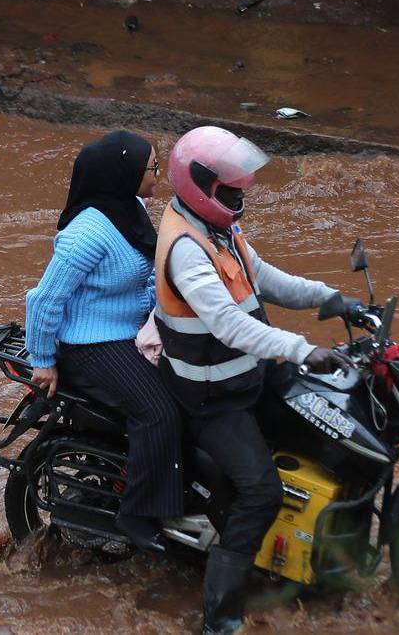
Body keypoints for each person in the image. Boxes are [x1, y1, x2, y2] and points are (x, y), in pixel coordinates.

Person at [152, 125, 358, 635]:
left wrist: (330, 299)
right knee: (259, 493)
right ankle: (220, 620)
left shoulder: (218, 228)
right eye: (230, 188)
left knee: (329, 425)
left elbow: (263, 277)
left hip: (247, 375)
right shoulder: (185, 246)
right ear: (201, 185)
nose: (239, 195)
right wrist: (303, 349)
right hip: (211, 395)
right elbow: (227, 323)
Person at [23, 130, 182, 553]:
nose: (158, 176)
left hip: (129, 332)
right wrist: (43, 359)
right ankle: (139, 513)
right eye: (151, 168)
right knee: (158, 411)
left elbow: (146, 276)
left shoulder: (130, 209)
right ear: (123, 172)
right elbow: (44, 300)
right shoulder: (88, 233)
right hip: (90, 346)